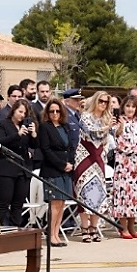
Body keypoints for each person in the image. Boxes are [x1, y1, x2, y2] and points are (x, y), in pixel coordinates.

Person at [74, 91, 113, 242]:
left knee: (97, 194)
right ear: (96, 101)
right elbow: (90, 134)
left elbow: (106, 141)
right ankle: (84, 227)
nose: (103, 104)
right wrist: (106, 128)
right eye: (101, 101)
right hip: (84, 157)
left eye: (106, 102)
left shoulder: (106, 119)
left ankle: (94, 227)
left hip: (99, 158)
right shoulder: (85, 116)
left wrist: (110, 128)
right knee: (83, 193)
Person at [0, 99, 37, 227]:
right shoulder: (2, 124)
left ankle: (15, 230)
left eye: (25, 113)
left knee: (18, 204)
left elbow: (34, 145)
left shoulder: (26, 125)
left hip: (23, 168)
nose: (22, 115)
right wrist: (17, 135)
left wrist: (33, 134)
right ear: (13, 110)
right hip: (6, 168)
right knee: (3, 202)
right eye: (20, 112)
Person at [38, 98, 75, 247]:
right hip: (52, 169)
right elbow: (46, 150)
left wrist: (71, 163)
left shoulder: (65, 127)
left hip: (66, 169)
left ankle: (56, 232)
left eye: (57, 111)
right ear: (47, 112)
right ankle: (51, 234)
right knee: (54, 203)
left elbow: (71, 147)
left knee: (62, 203)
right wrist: (61, 165)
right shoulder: (45, 127)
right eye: (52, 111)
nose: (54, 114)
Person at [112, 95, 137, 239]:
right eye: (127, 106)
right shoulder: (119, 121)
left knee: (136, 196)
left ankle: (132, 226)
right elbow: (119, 142)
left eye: (133, 106)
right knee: (125, 196)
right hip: (124, 164)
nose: (130, 109)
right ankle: (123, 227)